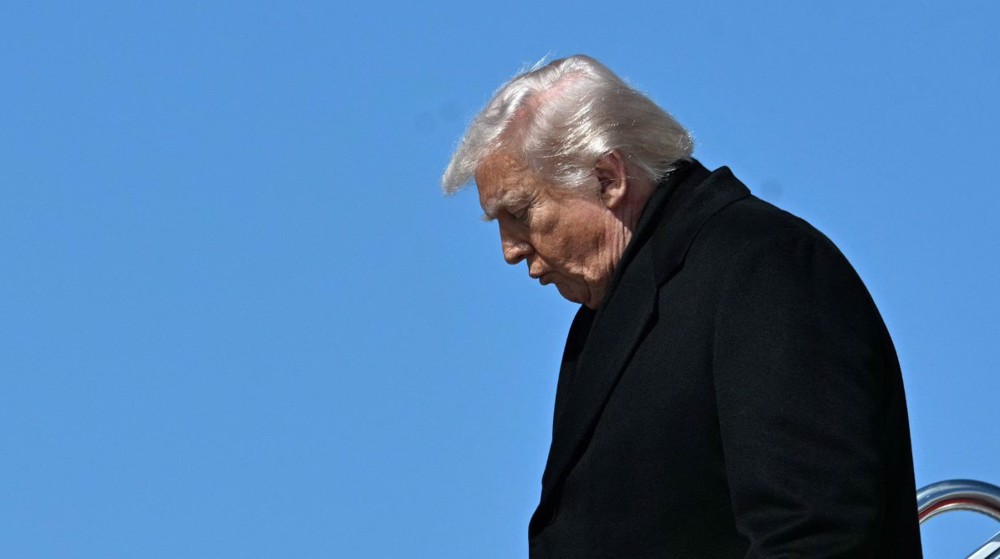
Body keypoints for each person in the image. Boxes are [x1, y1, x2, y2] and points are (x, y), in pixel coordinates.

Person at [441, 55, 922, 558]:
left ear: (609, 178)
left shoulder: (763, 265)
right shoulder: (609, 311)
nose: (510, 250)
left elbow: (815, 533)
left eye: (519, 213)